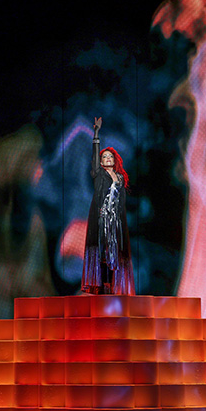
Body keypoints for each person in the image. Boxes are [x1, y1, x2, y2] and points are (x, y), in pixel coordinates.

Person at [81, 117, 134, 295]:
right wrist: (96, 135)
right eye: (104, 157)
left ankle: (113, 285)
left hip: (116, 222)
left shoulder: (119, 179)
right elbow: (94, 159)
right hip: (101, 220)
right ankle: (102, 285)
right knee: (102, 252)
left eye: (109, 156)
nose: (107, 158)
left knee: (115, 254)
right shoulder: (99, 175)